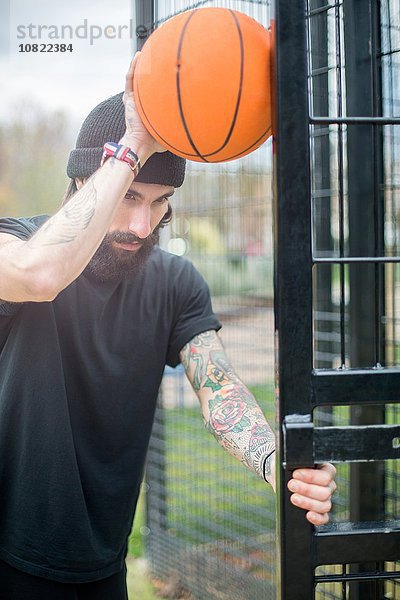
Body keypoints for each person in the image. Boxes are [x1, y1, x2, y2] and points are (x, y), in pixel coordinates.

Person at [0, 56, 336, 599]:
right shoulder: (14, 242)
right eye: (129, 195)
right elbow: (40, 275)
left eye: (160, 204)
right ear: (84, 180)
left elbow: (218, 387)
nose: (141, 224)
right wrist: (131, 145)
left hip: (103, 562)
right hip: (7, 554)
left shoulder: (176, 281)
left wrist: (279, 464)